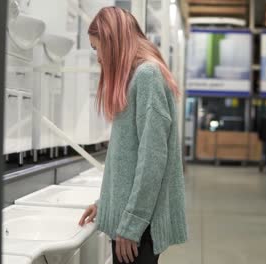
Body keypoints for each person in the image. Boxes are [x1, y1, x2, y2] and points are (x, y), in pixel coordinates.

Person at [78, 6, 187, 264]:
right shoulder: (136, 78)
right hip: (133, 221)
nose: (98, 58)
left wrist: (132, 223)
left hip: (139, 228)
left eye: (97, 48)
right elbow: (125, 160)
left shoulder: (147, 76)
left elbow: (152, 161)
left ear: (112, 41)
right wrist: (106, 203)